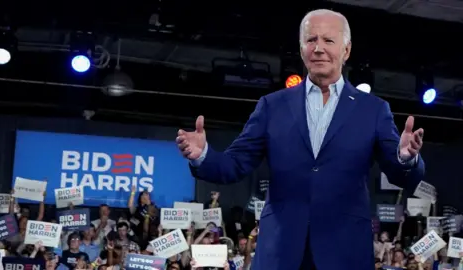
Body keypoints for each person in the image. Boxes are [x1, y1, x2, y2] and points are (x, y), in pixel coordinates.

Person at [176, 8, 425, 270]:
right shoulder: (272, 106)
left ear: (346, 50)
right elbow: (235, 163)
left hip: (345, 252)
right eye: (311, 40)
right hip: (281, 251)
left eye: (328, 40)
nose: (318, 48)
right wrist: (203, 155)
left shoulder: (373, 110)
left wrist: (406, 158)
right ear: (301, 48)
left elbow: (401, 175)